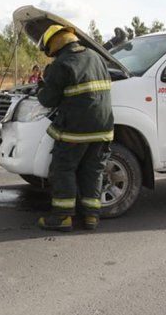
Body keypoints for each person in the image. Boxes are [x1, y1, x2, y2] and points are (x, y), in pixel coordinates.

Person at [36, 24, 113, 232]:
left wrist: (41, 86)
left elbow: (48, 100)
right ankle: (91, 217)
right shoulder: (97, 57)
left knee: (63, 169)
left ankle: (62, 217)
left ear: (54, 45)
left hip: (76, 130)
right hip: (104, 128)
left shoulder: (61, 65)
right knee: (93, 171)